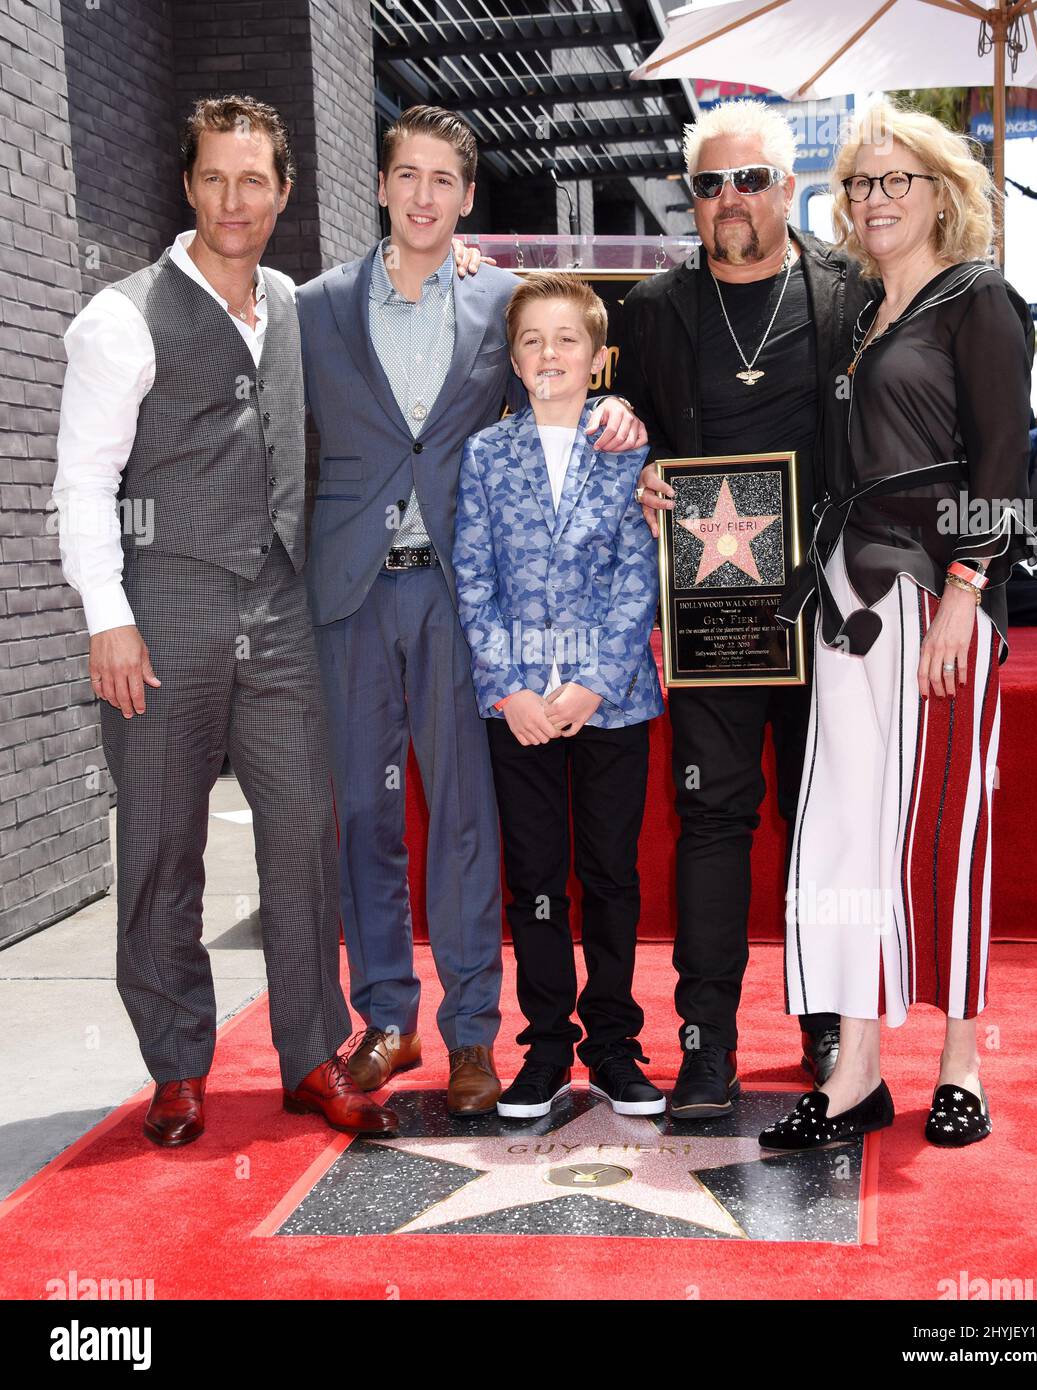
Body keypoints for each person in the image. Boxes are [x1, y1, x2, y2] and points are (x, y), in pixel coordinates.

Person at [52, 96, 399, 1146]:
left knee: (303, 830)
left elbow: (395, 311)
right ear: (188, 185)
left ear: (285, 191)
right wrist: (106, 617)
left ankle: (308, 1057)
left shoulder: (296, 303)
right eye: (214, 178)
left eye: (254, 180)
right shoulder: (121, 315)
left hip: (280, 607)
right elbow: (80, 480)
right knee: (162, 840)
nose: (234, 200)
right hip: (161, 609)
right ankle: (177, 1065)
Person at [295, 106, 646, 1116]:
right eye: (407, 174)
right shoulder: (315, 306)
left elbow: (563, 367)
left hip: (460, 589)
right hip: (351, 590)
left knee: (462, 816)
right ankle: (387, 1017)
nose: (422, 195)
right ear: (379, 184)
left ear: (466, 194)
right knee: (361, 807)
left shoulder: (500, 300)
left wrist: (616, 415)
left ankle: (472, 1037)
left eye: (443, 178)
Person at [763, 99, 1037, 1152]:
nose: (874, 199)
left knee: (947, 828)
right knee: (843, 833)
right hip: (848, 599)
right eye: (861, 183)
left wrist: (966, 590)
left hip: (938, 597)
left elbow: (1007, 471)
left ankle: (960, 1064)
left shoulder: (980, 302)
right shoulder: (861, 311)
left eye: (896, 180)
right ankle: (858, 1073)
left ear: (942, 192)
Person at [623, 99, 873, 1117]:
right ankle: (705, 1041)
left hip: (828, 605)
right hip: (713, 608)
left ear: (787, 186)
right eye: (711, 184)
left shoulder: (850, 295)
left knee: (821, 822)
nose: (730, 199)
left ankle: (821, 1023)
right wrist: (636, 472)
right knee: (711, 820)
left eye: (751, 180)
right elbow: (626, 429)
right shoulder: (650, 310)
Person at [453, 274, 665, 1118]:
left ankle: (613, 1044)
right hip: (520, 712)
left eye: (566, 340)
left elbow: (636, 572)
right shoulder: (484, 454)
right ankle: (545, 1050)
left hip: (609, 701)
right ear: (512, 358)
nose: (550, 354)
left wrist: (591, 681)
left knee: (610, 874)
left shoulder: (627, 449)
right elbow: (472, 577)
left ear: (597, 357)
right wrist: (511, 690)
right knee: (535, 879)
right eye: (532, 341)